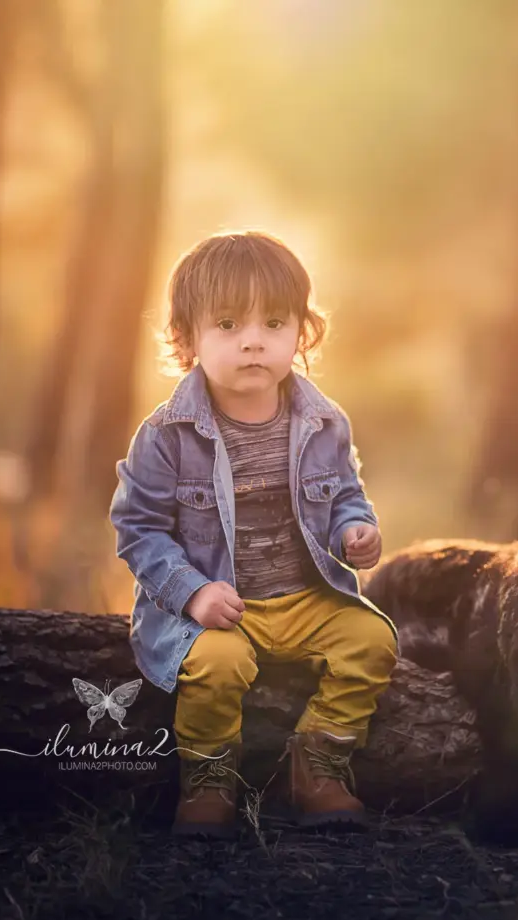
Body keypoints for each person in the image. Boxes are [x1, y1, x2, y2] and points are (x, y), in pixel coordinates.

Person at [109, 231, 396, 836]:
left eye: (274, 321)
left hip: (306, 597)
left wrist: (356, 530)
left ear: (301, 332)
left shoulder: (323, 421)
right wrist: (192, 592)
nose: (253, 340)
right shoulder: (166, 435)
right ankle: (209, 779)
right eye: (228, 323)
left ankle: (317, 763)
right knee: (216, 666)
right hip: (216, 607)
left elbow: (344, 492)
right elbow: (138, 529)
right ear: (187, 338)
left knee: (372, 638)